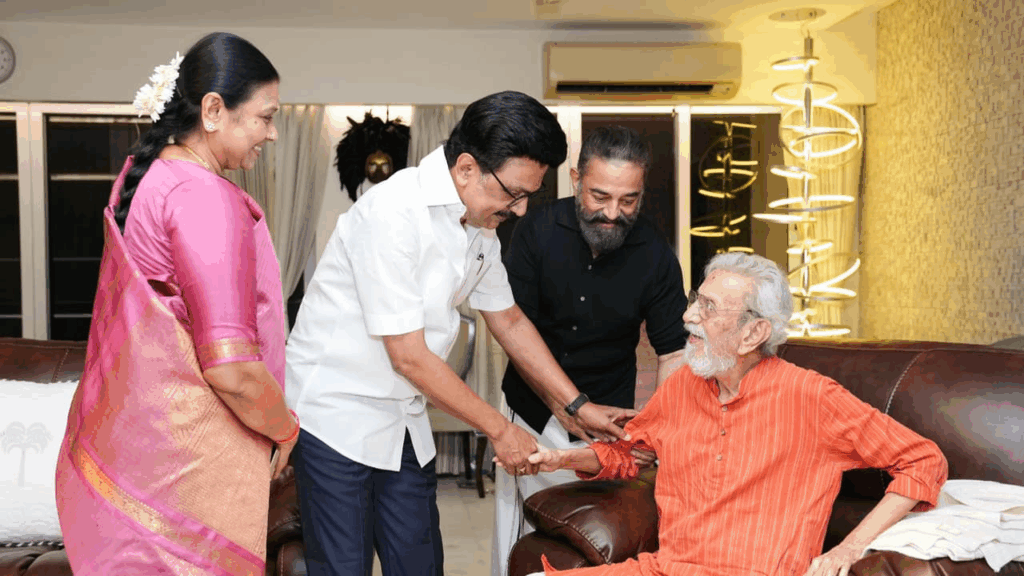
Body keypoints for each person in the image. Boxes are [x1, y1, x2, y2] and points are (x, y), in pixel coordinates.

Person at [285, 91, 637, 576]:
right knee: (343, 568)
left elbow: (508, 319)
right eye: (514, 193)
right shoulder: (392, 213)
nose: (520, 210)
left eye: (529, 196)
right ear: (467, 168)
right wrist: (500, 428)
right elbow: (408, 356)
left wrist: (575, 404)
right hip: (336, 417)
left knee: (420, 564)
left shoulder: (479, 227)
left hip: (402, 418)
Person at [515, 252, 949, 576]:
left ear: (753, 332)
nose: (688, 316)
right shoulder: (683, 385)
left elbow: (922, 460)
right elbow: (631, 453)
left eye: (707, 308)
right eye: (695, 300)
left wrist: (849, 548)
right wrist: (560, 458)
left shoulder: (812, 396)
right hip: (664, 569)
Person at [55, 32, 298, 575]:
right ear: (213, 111)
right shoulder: (203, 196)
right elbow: (232, 368)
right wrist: (285, 427)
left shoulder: (152, 177)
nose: (273, 133)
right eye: (265, 117)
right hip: (186, 468)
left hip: (146, 457)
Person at [493, 125, 688, 576]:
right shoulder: (536, 229)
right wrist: (564, 405)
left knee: (596, 538)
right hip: (532, 408)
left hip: (608, 418)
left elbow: (673, 353)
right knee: (523, 533)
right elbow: (512, 329)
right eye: (600, 196)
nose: (613, 213)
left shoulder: (656, 254)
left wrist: (654, 432)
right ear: (577, 178)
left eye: (628, 200)